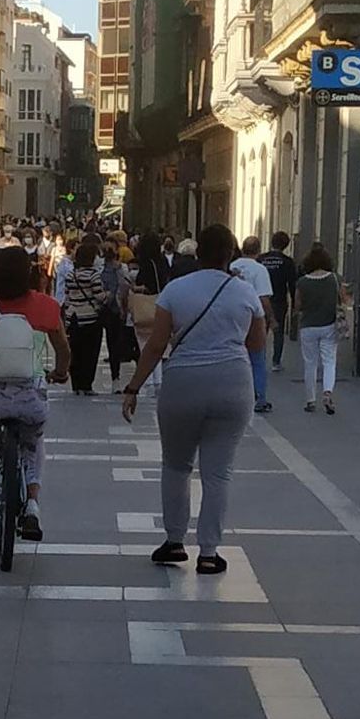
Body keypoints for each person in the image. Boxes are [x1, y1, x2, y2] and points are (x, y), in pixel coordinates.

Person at [121, 224, 265, 575]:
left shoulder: (175, 290)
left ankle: (173, 542)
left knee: (176, 465)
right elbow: (257, 344)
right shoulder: (245, 293)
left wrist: (133, 387)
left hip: (183, 383)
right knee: (218, 473)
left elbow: (156, 345)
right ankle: (210, 552)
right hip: (232, 385)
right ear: (230, 253)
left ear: (198, 253)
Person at [0, 246, 72, 537]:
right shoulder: (45, 306)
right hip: (29, 399)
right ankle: (32, 502)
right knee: (34, 443)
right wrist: (61, 372)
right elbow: (62, 346)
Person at [296, 244, 345, 415]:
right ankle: (327, 392)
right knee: (329, 361)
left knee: (310, 363)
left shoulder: (302, 282)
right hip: (329, 325)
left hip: (308, 326)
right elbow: (343, 300)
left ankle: (310, 400)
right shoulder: (334, 279)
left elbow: (298, 306)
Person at [230, 237, 275, 414]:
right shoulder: (260, 270)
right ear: (258, 250)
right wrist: (271, 318)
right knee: (258, 359)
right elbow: (263, 298)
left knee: (236, 358)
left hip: (233, 317)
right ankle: (259, 397)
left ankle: (236, 396)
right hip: (254, 318)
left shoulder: (232, 266)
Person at [63, 242, 110, 395]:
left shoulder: (71, 275)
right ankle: (87, 384)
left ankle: (76, 385)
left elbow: (67, 295)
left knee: (75, 352)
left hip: (74, 317)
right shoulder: (94, 275)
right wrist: (108, 295)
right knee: (90, 352)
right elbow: (99, 296)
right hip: (90, 317)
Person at [259, 232, 298, 373]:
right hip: (279, 300)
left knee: (260, 329)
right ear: (286, 245)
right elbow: (293, 285)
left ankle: (259, 358)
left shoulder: (261, 259)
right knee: (278, 331)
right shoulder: (287, 262)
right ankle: (276, 361)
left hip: (261, 299)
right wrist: (295, 304)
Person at [101, 242, 133, 388]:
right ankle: (116, 378)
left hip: (101, 309)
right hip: (117, 310)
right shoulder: (122, 269)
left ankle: (85, 381)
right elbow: (126, 289)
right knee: (115, 344)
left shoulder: (98, 269)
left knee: (100, 344)